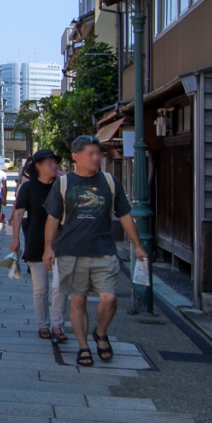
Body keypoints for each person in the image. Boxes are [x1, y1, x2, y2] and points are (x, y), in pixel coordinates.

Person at [43, 135, 149, 367]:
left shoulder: (110, 182)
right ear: (75, 157)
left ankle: (101, 332)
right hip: (71, 251)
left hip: (103, 250)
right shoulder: (63, 184)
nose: (96, 158)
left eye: (98, 153)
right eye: (90, 154)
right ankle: (83, 346)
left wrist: (137, 245)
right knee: (78, 301)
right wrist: (48, 248)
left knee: (109, 298)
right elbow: (52, 218)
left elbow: (124, 215)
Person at [11, 149, 67, 343]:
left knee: (60, 286)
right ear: (38, 167)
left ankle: (58, 325)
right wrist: (15, 239)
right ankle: (43, 325)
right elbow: (18, 213)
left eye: (55, 162)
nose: (54, 166)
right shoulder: (28, 188)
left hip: (62, 242)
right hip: (36, 241)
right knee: (41, 288)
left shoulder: (62, 186)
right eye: (49, 163)